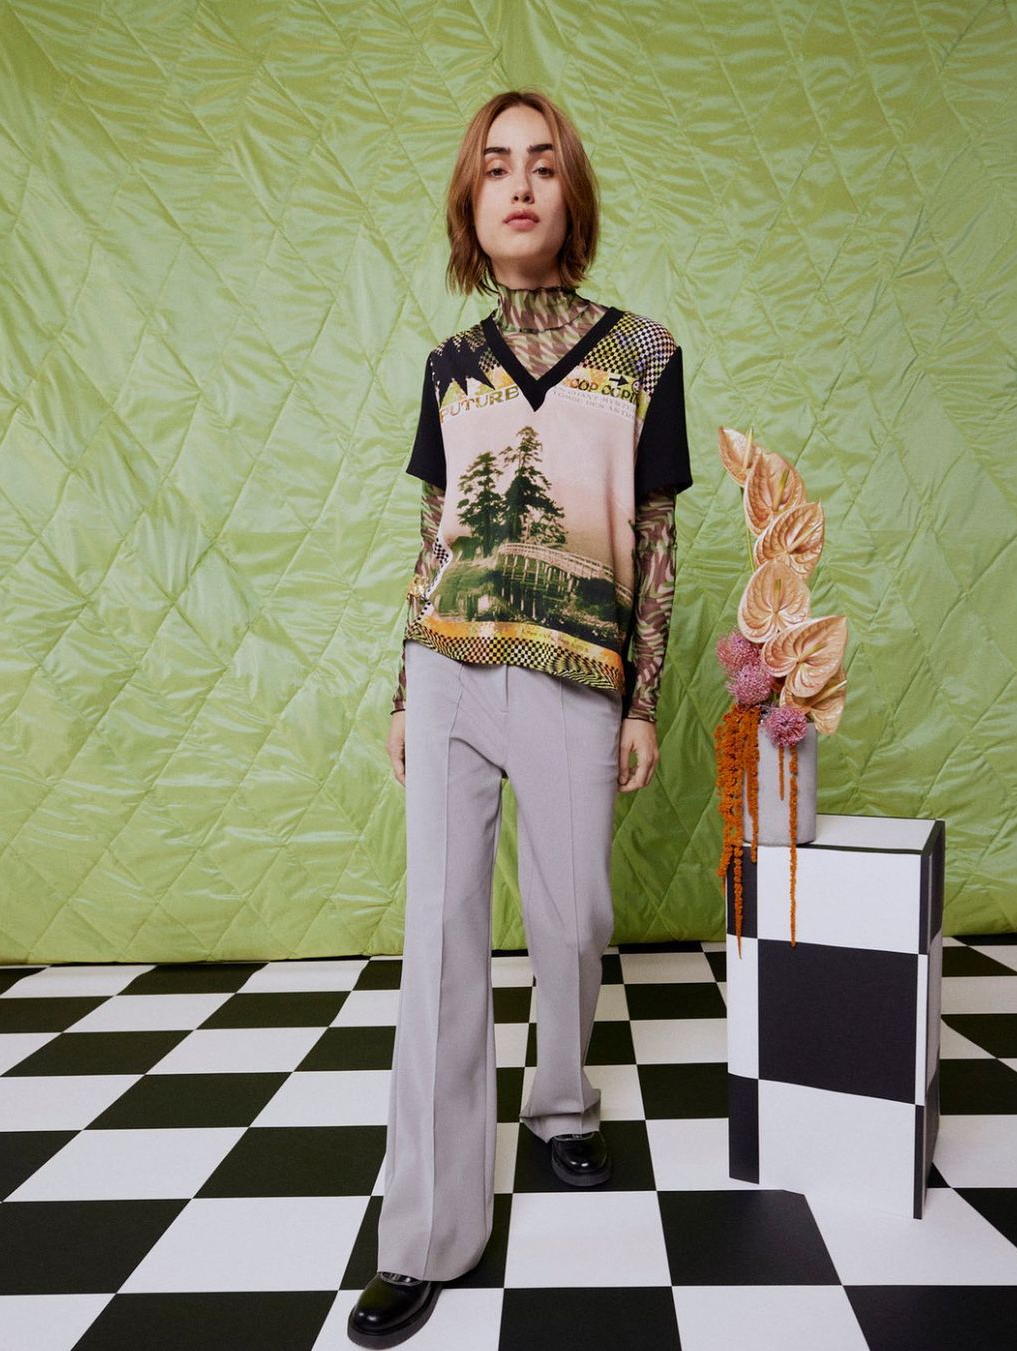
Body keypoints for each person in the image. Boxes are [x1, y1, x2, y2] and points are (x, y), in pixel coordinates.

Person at [348, 87, 692, 1348]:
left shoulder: (644, 354)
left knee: (573, 915)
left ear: (569, 194)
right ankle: (426, 1234)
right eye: (496, 167)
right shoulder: (449, 368)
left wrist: (642, 699)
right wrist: (403, 688)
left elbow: (657, 538)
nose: (520, 185)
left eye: (543, 165)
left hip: (575, 674)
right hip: (449, 668)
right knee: (441, 939)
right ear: (472, 203)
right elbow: (431, 537)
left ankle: (559, 1104)